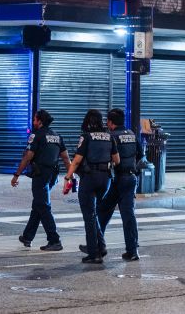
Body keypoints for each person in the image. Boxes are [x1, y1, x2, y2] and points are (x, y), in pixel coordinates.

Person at [64, 109, 119, 264]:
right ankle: (101, 246)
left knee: (88, 216)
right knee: (93, 214)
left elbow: (76, 160)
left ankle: (93, 253)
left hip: (89, 178)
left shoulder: (86, 137)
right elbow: (117, 160)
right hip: (105, 179)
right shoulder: (109, 136)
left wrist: (68, 178)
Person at [11, 109, 71, 251]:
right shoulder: (57, 136)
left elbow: (28, 156)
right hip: (53, 175)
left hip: (41, 175)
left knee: (43, 206)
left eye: (35, 119)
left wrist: (16, 174)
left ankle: (54, 240)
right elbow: (66, 158)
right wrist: (70, 176)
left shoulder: (36, 135)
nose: (33, 122)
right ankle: (27, 236)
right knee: (38, 204)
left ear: (40, 121)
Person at [97, 108, 143, 261]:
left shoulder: (111, 136)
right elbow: (141, 155)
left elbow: (106, 157)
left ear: (110, 122)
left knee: (102, 210)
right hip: (130, 178)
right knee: (127, 215)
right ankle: (132, 250)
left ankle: (97, 245)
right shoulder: (131, 134)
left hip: (117, 179)